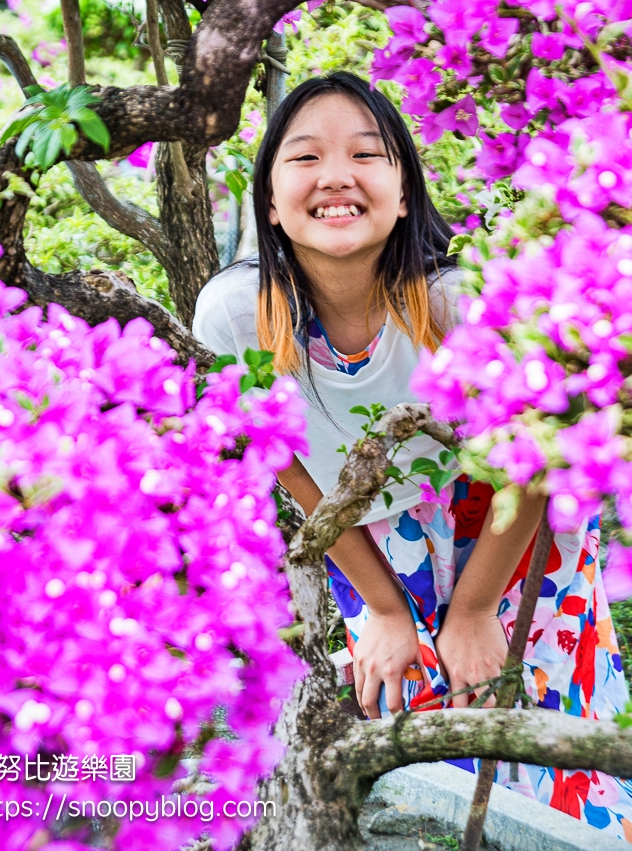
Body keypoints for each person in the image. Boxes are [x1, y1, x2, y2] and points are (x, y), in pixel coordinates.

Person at [193, 72, 632, 835]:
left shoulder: (461, 302)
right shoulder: (235, 314)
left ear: (403, 194)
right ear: (268, 199)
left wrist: (471, 611)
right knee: (411, 726)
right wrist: (387, 610)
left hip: (514, 535)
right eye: (303, 159)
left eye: (367, 154)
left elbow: (530, 458)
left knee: (540, 719)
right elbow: (283, 463)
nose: (334, 177)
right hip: (370, 541)